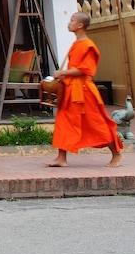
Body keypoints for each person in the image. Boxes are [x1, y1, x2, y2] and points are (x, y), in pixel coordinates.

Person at [48, 12, 123, 168]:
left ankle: (116, 152)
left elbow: (86, 70)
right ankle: (61, 158)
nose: (69, 23)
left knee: (95, 123)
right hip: (71, 90)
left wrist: (63, 73)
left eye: (72, 20)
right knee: (64, 122)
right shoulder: (76, 44)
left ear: (80, 25)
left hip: (84, 92)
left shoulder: (88, 45)